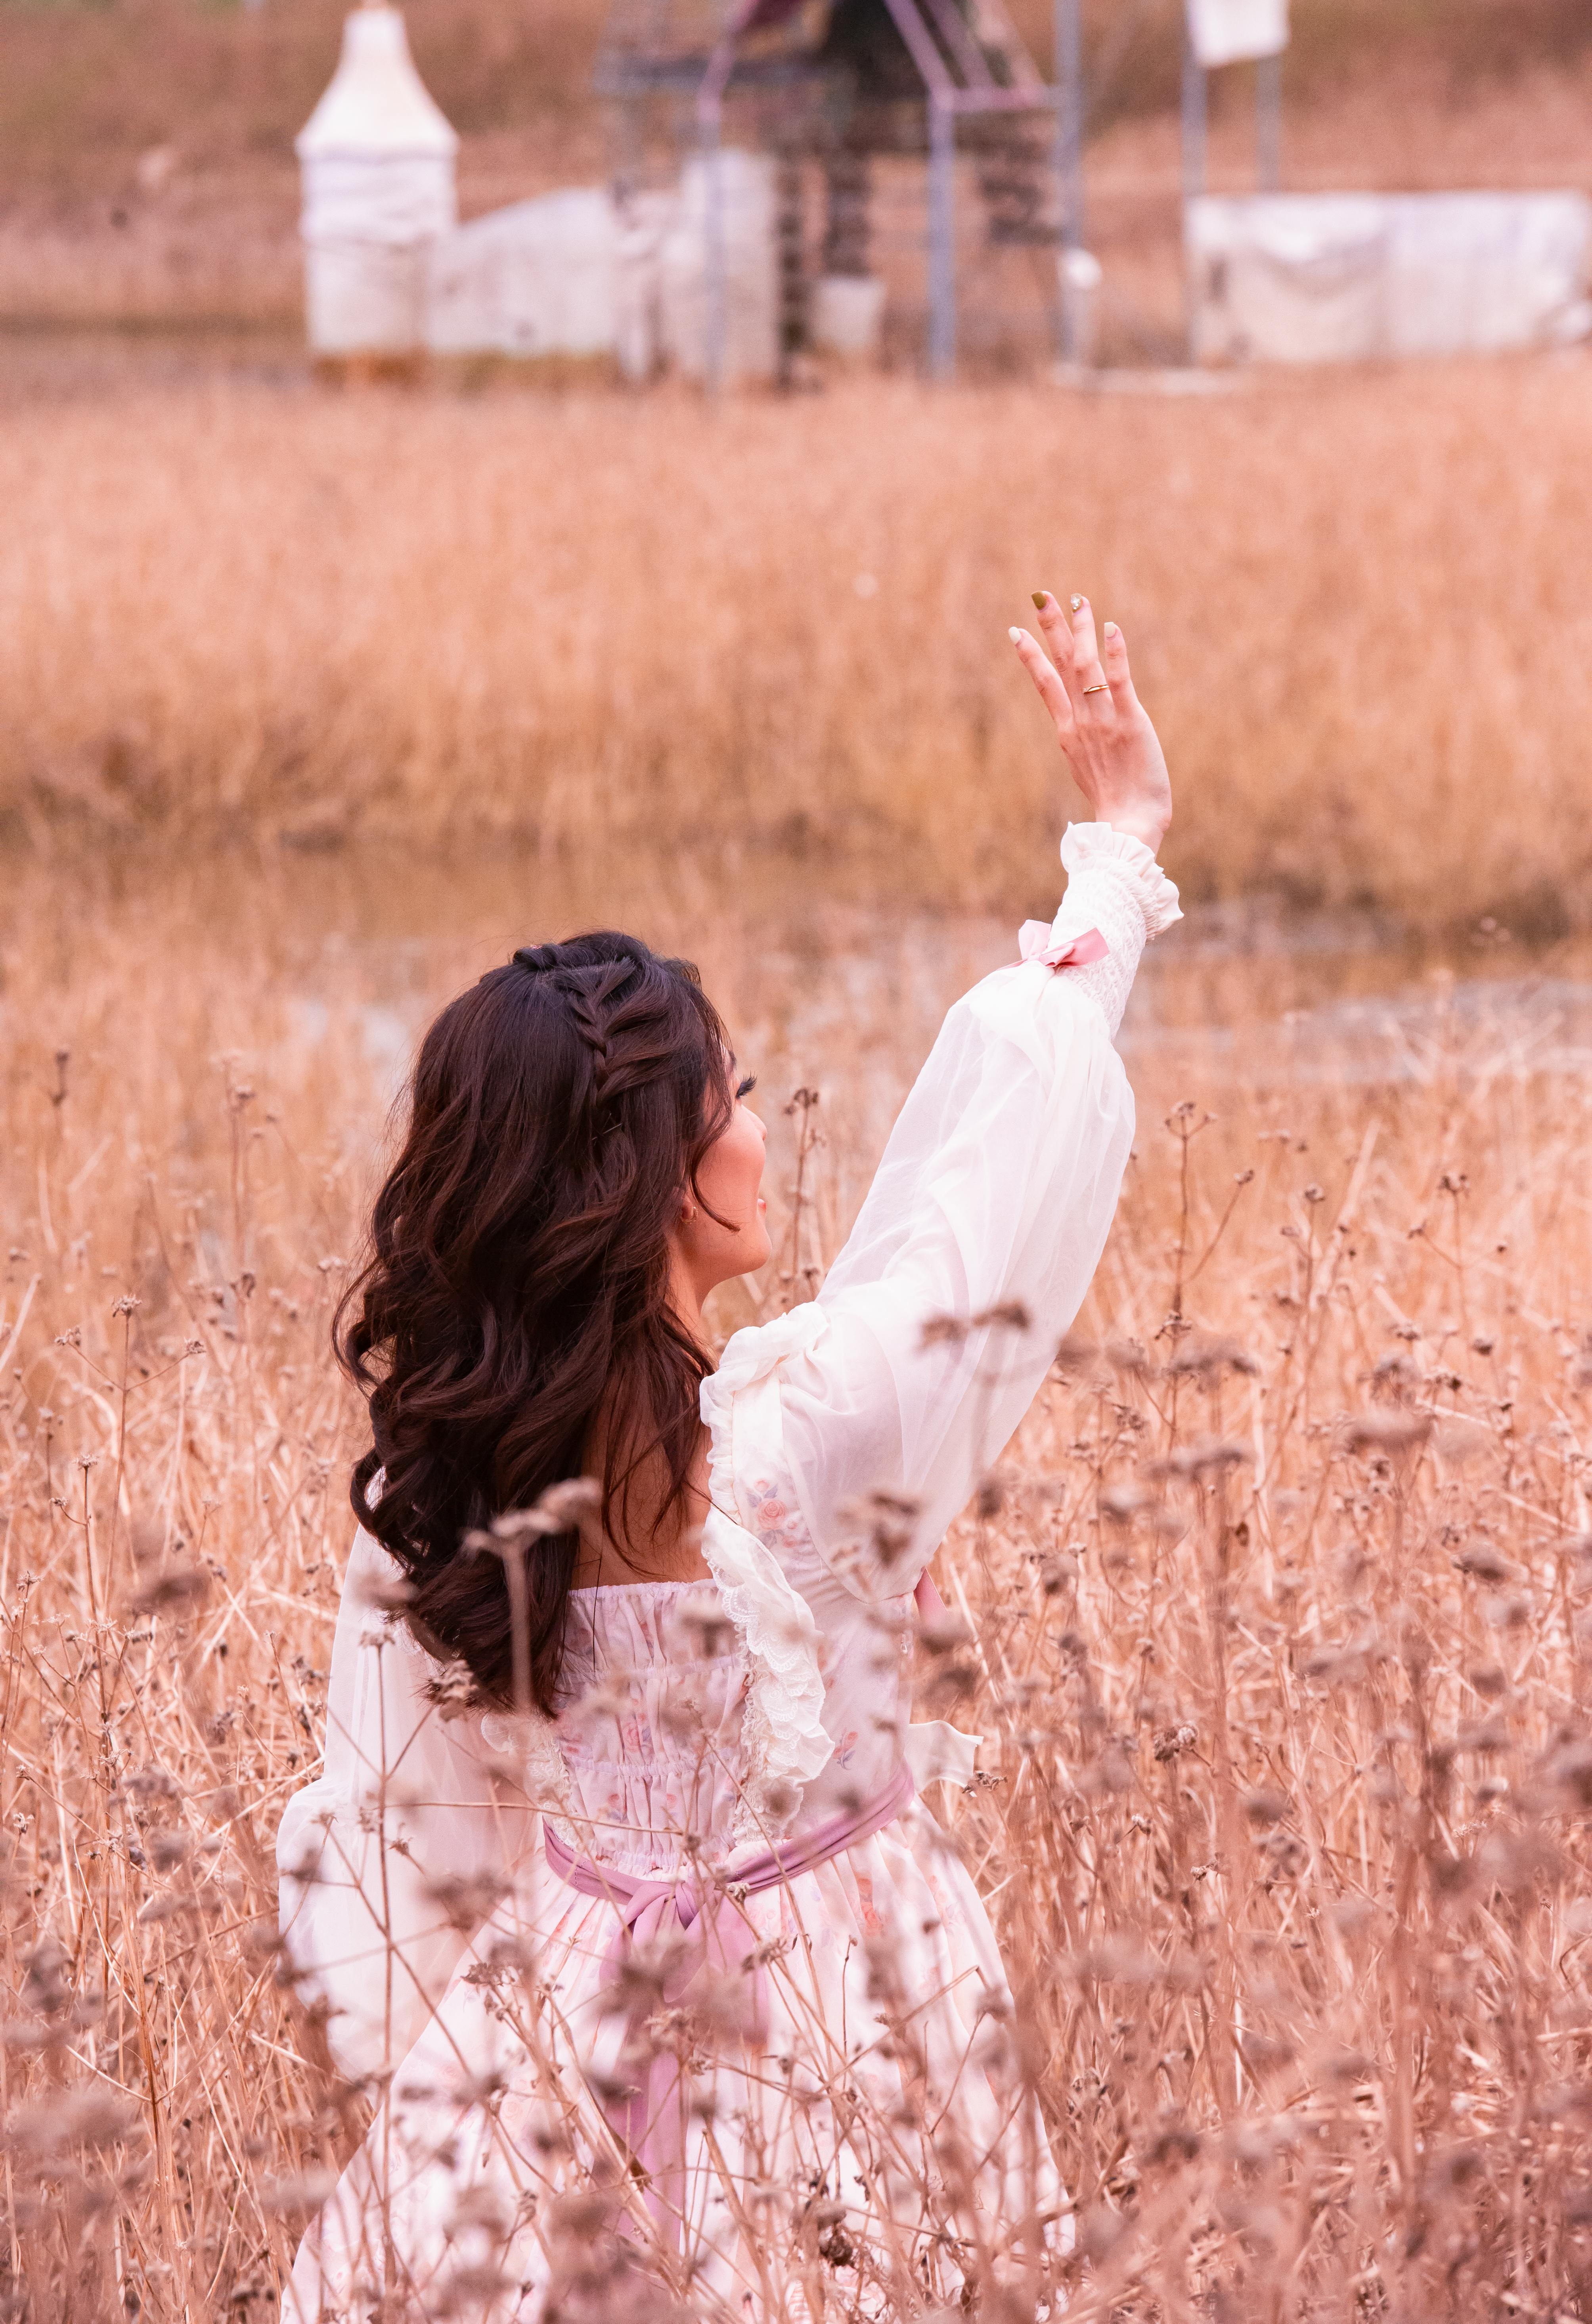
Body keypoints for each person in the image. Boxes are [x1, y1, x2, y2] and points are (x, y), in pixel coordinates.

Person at [277, 593, 1179, 2323]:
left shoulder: (450, 1474)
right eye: (738, 1098)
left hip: (556, 2007)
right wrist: (1115, 857)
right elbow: (990, 1177)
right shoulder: (807, 1436)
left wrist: (438, 2071)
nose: (765, 1132)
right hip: (843, 2002)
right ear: (661, 1178)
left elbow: (394, 1839)